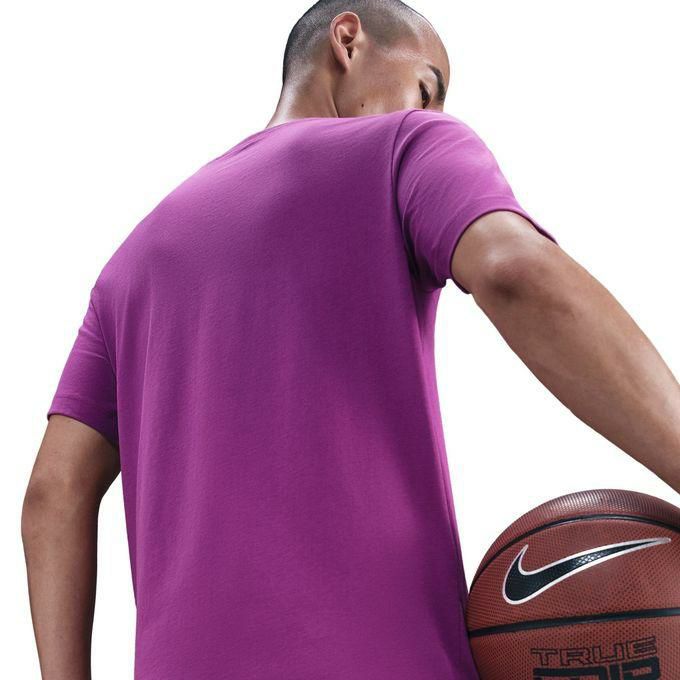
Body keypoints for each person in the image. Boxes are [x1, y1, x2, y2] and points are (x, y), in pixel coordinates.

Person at [21, 1, 680, 678]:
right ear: (347, 40)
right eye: (426, 88)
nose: (433, 112)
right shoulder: (405, 146)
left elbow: (54, 490)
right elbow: (514, 269)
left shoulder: (131, 263)